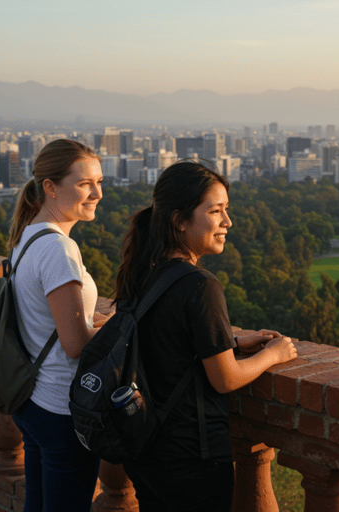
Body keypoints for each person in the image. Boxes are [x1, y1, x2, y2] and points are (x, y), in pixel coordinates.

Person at [115, 161, 297, 511]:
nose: (227, 222)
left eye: (226, 210)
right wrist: (273, 355)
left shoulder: (142, 273)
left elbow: (165, 343)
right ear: (179, 220)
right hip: (190, 455)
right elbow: (225, 378)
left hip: (145, 447)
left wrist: (228, 342)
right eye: (215, 211)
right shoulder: (200, 285)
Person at [9, 139, 105, 512]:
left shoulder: (28, 236)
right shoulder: (58, 249)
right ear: (50, 187)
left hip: (31, 400)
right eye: (84, 184)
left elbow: (46, 318)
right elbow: (76, 344)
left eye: (99, 182)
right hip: (62, 408)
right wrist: (124, 330)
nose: (96, 192)